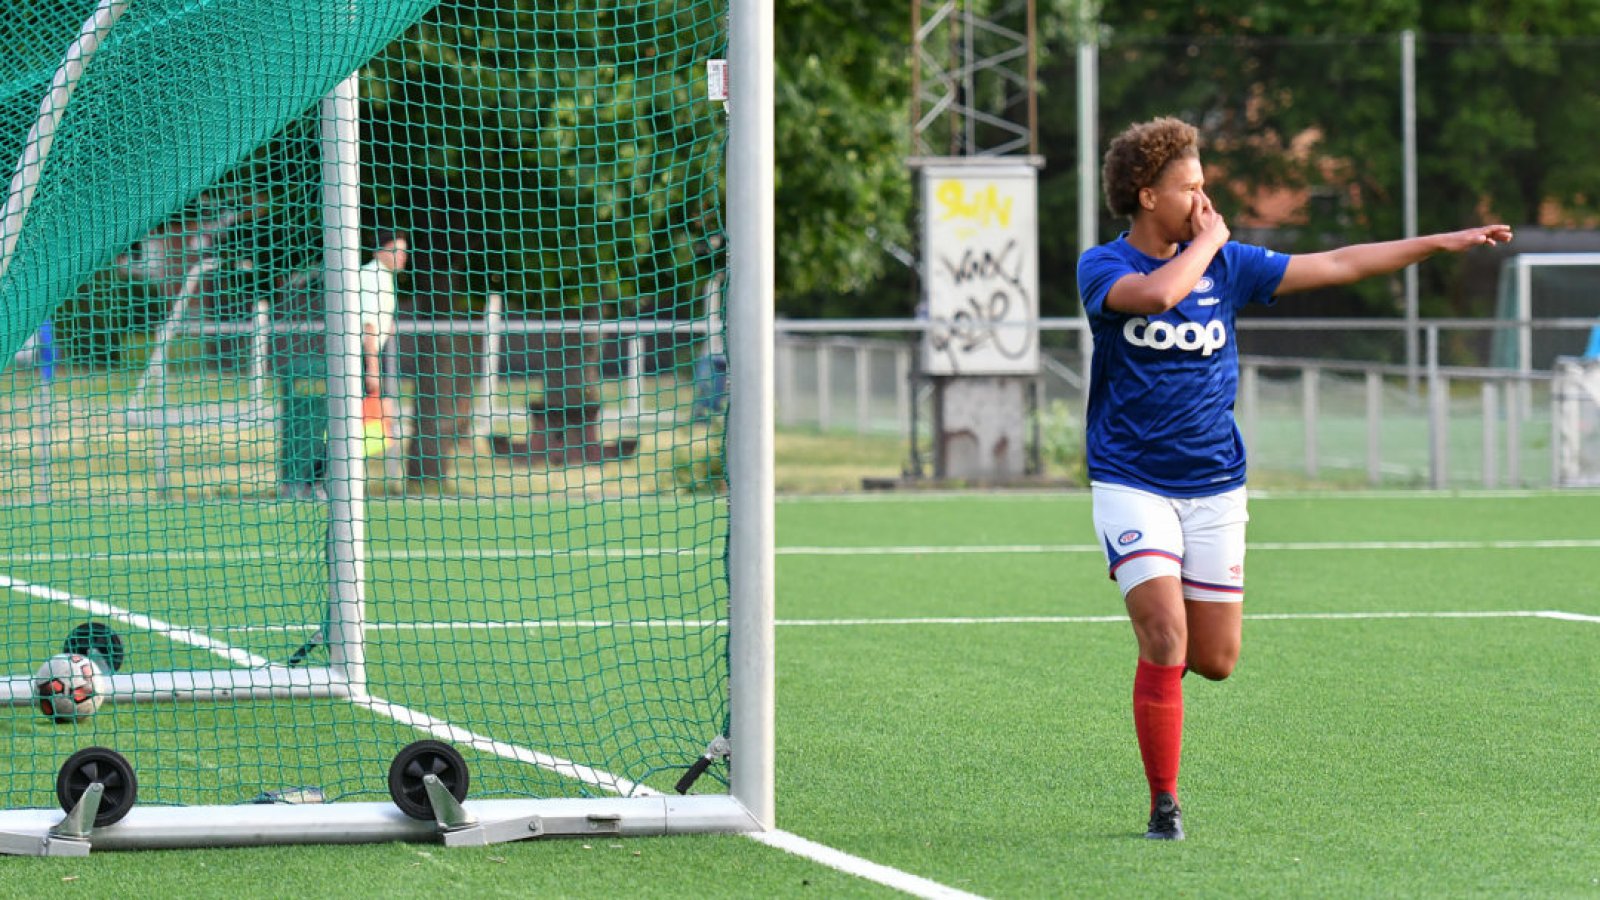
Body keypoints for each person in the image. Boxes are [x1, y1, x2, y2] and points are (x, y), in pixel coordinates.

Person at [1076, 117, 1512, 841]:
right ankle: (1164, 806)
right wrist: (1210, 244)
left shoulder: (1230, 264)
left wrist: (1439, 242)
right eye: (1191, 187)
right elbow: (1155, 298)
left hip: (1216, 483)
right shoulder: (1102, 265)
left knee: (1213, 661)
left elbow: (1339, 263)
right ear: (1148, 196)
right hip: (1132, 480)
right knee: (1162, 633)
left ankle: (1164, 683)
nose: (1205, 200)